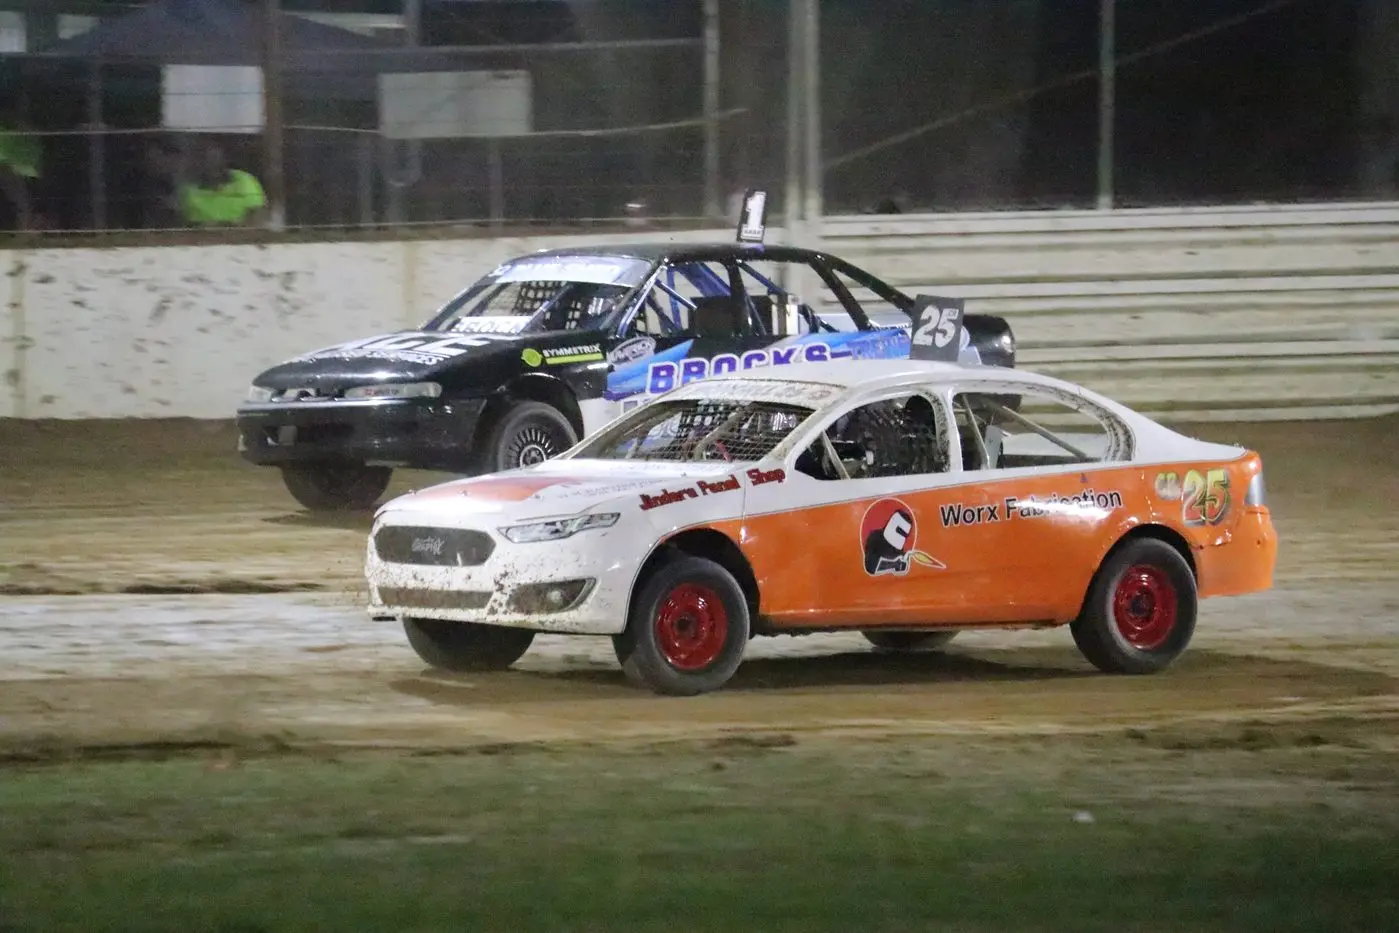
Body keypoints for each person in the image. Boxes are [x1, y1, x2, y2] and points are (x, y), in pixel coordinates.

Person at [178, 140, 267, 227]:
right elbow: (184, 225)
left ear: (225, 161)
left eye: (217, 161)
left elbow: (259, 215)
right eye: (209, 162)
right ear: (200, 165)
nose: (214, 166)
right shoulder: (189, 189)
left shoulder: (244, 180)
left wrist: (234, 227)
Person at [0, 109, 42, 231]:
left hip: (20, 171)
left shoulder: (25, 135)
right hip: (14, 169)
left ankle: (26, 230)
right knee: (22, 203)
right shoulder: (16, 132)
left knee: (23, 203)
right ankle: (25, 229)